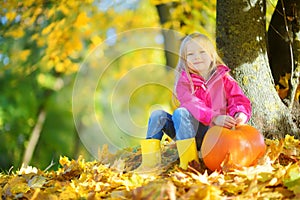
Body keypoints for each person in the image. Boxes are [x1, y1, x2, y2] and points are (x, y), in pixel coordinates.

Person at [136, 33, 251, 172]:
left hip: (215, 135)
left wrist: (240, 114)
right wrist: (215, 116)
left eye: (202, 52)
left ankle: (190, 166)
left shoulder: (224, 78)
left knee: (180, 112)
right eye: (190, 54)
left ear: (211, 56)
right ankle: (151, 165)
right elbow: (192, 104)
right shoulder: (184, 82)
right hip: (187, 132)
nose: (197, 57)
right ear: (184, 60)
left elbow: (238, 99)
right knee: (159, 115)